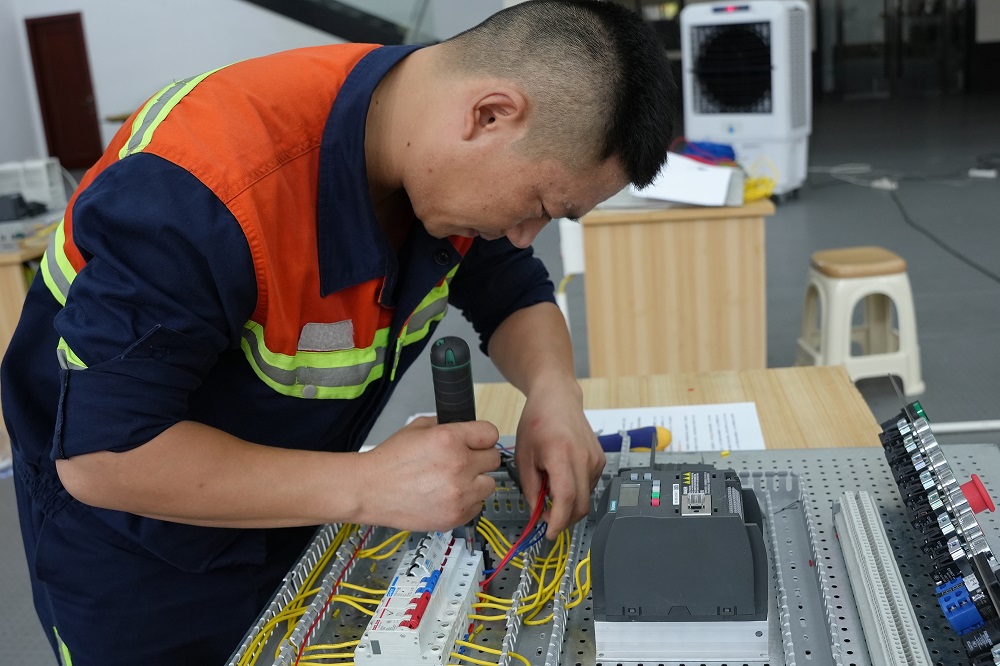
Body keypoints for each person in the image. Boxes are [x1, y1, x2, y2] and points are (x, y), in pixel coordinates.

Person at [1, 1, 676, 663]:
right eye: (538, 205)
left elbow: (510, 288)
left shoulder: (426, 139)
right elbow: (105, 455)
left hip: (303, 506)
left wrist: (556, 395)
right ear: (489, 115)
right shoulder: (198, 193)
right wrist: (368, 485)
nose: (527, 235)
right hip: (140, 561)